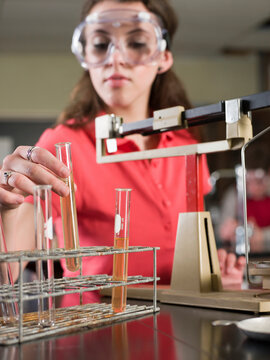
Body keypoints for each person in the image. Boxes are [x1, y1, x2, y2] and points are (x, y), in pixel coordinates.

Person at [0, 0, 244, 305]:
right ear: (85, 55)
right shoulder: (65, 144)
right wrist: (6, 207)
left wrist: (214, 275)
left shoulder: (186, 140)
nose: (116, 59)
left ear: (164, 56)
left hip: (179, 336)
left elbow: (184, 255)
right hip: (98, 336)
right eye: (101, 44)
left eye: (137, 42)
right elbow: (6, 270)